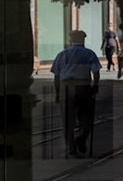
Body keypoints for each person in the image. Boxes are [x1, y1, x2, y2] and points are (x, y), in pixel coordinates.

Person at [50, 29, 103, 158]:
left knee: (67, 119)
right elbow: (96, 71)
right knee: (86, 116)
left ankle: (71, 147)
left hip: (66, 87)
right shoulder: (89, 53)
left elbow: (56, 76)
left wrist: (57, 93)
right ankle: (82, 137)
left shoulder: (62, 54)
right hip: (83, 87)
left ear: (70, 40)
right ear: (83, 39)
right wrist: (95, 86)